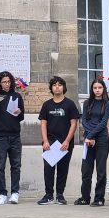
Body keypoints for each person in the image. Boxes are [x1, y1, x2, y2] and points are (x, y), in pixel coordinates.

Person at [37, 76, 79, 206]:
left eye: (60, 85)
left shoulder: (70, 104)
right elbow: (43, 124)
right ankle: (48, 195)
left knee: (63, 169)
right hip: (49, 142)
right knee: (48, 169)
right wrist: (45, 141)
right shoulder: (47, 105)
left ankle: (60, 195)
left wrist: (67, 141)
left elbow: (74, 124)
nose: (57, 87)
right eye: (54, 85)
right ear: (51, 88)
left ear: (64, 87)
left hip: (64, 143)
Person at [74, 78, 109, 207]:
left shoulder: (106, 103)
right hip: (88, 139)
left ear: (103, 89)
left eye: (99, 88)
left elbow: (103, 123)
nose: (97, 90)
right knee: (86, 170)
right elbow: (84, 120)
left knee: (101, 170)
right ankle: (85, 197)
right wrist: (89, 137)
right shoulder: (87, 103)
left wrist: (90, 135)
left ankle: (99, 198)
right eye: (95, 88)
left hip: (101, 140)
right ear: (92, 89)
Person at [0, 71, 25, 205]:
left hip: (15, 136)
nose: (7, 84)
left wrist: (19, 112)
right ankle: (2, 193)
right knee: (0, 166)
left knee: (16, 166)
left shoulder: (17, 96)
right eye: (4, 82)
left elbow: (21, 117)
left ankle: (15, 193)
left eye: (9, 81)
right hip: (0, 136)